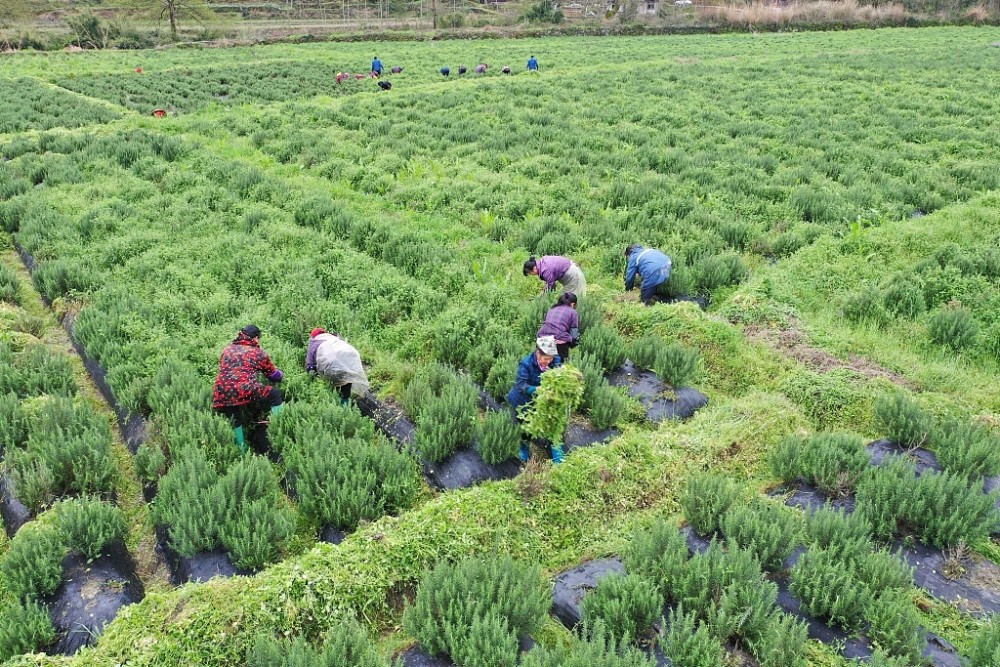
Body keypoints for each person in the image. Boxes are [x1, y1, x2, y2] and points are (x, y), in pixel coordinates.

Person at [212, 325, 284, 454]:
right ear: (256, 338)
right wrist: (281, 374)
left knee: (235, 417)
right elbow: (272, 375)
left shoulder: (227, 349)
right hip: (245, 388)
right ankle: (279, 430)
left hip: (222, 390)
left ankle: (242, 450)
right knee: (275, 394)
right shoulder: (257, 352)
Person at [507, 336, 565, 464]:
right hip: (523, 400)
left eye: (550, 359)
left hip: (542, 401)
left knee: (552, 424)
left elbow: (559, 366)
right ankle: (523, 451)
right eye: (545, 359)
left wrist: (563, 373)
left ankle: (558, 458)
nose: (548, 362)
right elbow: (521, 385)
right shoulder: (526, 364)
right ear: (538, 353)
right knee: (525, 429)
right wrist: (539, 390)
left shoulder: (554, 360)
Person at [305, 328, 370, 406]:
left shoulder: (314, 342)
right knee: (347, 377)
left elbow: (310, 365)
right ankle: (345, 402)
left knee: (335, 380)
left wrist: (311, 379)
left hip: (332, 360)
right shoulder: (334, 338)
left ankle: (336, 404)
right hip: (351, 353)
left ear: (314, 336)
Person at [537, 292, 580, 361]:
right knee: (560, 367)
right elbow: (574, 332)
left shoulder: (552, 309)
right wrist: (573, 343)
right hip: (559, 340)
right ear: (572, 304)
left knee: (544, 365)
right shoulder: (572, 312)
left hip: (542, 337)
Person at [523, 255, 587, 297]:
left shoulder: (545, 270)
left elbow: (551, 287)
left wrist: (543, 297)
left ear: (534, 269)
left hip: (573, 276)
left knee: (568, 299)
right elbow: (549, 282)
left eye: (530, 273)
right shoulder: (542, 263)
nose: (531, 275)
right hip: (572, 271)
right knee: (569, 298)